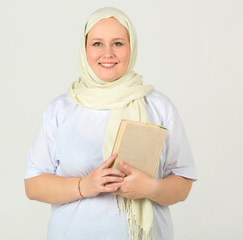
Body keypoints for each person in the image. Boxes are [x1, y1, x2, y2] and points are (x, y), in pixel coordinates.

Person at [24, 7, 197, 240]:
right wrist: (84, 186)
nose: (108, 53)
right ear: (85, 49)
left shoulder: (158, 106)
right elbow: (33, 186)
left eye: (118, 43)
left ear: (131, 47)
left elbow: (183, 182)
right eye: (97, 44)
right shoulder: (61, 109)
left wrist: (151, 189)